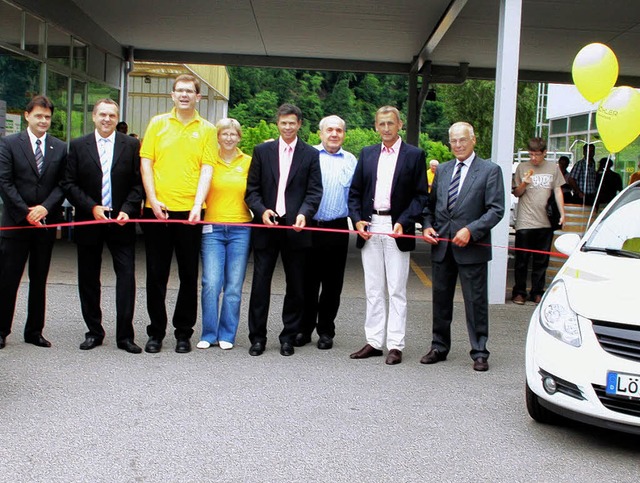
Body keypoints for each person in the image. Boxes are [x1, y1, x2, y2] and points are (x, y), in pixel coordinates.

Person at [140, 74, 217, 354]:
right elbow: (146, 162)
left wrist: (198, 204)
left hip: (190, 213)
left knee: (188, 274)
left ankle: (183, 332)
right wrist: (152, 198)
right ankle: (155, 332)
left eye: (190, 91)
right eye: (179, 90)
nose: (184, 95)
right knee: (156, 274)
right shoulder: (157, 123)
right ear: (172, 95)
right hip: (157, 210)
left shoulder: (207, 129)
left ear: (198, 97)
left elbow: (207, 168)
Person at [62, 98, 144, 353]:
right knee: (88, 278)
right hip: (90, 220)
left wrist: (128, 210)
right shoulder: (78, 145)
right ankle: (94, 332)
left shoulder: (130, 145)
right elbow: (69, 183)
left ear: (117, 118)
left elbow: (138, 183)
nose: (107, 119)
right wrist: (92, 208)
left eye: (112, 115)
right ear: (94, 117)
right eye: (102, 115)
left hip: (121, 221)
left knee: (127, 278)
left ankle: (125, 336)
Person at [421, 121, 504, 372]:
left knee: (475, 302)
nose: (457, 145)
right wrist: (426, 226)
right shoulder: (443, 170)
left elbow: (496, 209)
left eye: (462, 140)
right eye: (453, 140)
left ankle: (479, 351)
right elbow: (430, 206)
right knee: (440, 301)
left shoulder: (490, 170)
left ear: (473, 140)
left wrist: (472, 230)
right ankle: (439, 346)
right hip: (442, 246)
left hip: (472, 247)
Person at [348, 106, 428, 365]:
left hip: (397, 227)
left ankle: (395, 344)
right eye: (381, 124)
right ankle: (373, 341)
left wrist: (404, 221)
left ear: (400, 124)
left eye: (390, 123)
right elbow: (355, 192)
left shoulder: (414, 155)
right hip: (370, 226)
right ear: (375, 126)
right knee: (373, 288)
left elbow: (420, 197)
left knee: (396, 290)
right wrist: (357, 218)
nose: (385, 128)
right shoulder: (368, 154)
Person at [244, 103, 322, 357]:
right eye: (283, 122)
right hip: (266, 225)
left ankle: (288, 336)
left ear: (300, 124)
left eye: (292, 123)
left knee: (296, 285)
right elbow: (251, 190)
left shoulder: (310, 154)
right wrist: (261, 210)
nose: (287, 127)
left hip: (296, 227)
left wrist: (304, 213)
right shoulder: (262, 151)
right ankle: (257, 338)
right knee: (260, 283)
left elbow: (314, 191)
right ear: (277, 123)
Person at [0, 95, 67, 350]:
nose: (43, 121)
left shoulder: (59, 148)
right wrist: (25, 212)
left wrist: (44, 208)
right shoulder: (8, 144)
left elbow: (62, 185)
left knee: (39, 280)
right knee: (8, 280)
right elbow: (4, 182)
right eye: (39, 115)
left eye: (47, 117)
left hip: (44, 225)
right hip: (16, 224)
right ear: (27, 116)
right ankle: (1, 329)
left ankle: (34, 331)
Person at [295, 115, 357, 350]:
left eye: (339, 130)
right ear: (320, 133)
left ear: (344, 134)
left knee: (332, 284)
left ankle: (326, 331)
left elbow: (355, 195)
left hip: (337, 227)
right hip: (310, 226)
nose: (334, 134)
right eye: (329, 130)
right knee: (307, 282)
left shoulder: (351, 161)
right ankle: (304, 329)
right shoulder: (309, 156)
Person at [197, 118, 252, 351]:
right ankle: (209, 333)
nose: (229, 138)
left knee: (233, 285)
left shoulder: (248, 161)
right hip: (212, 229)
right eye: (224, 134)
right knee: (211, 282)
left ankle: (227, 334)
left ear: (239, 137)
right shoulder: (209, 161)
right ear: (217, 137)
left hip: (241, 229)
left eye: (233, 134)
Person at [511, 138, 565, 306]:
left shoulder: (553, 168)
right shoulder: (522, 167)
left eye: (537, 155)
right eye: (531, 154)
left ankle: (537, 292)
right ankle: (519, 291)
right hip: (525, 221)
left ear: (544, 153)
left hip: (546, 221)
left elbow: (557, 190)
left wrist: (562, 213)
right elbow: (517, 193)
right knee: (522, 259)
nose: (534, 158)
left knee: (541, 260)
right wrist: (524, 184)